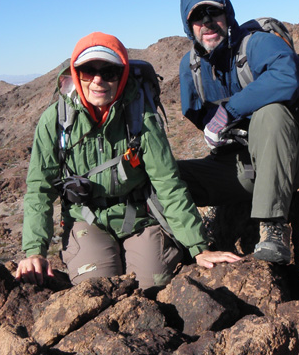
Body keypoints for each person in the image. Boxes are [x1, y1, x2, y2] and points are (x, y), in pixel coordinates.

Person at [17, 31, 241, 288]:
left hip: (139, 217)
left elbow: (168, 182)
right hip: (86, 219)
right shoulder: (56, 121)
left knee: (151, 286)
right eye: (88, 71)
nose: (98, 80)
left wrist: (198, 247)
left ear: (121, 76)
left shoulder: (140, 117)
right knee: (97, 288)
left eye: (109, 72)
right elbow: (39, 189)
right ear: (76, 74)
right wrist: (34, 251)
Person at [176, 0, 299, 263]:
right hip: (243, 168)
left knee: (271, 113)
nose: (207, 23)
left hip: (291, 162)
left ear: (228, 14)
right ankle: (184, 246)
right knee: (171, 177)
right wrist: (218, 130)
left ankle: (273, 228)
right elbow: (193, 110)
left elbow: (288, 76)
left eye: (213, 12)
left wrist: (229, 112)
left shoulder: (258, 43)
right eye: (197, 17)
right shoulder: (190, 65)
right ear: (188, 26)